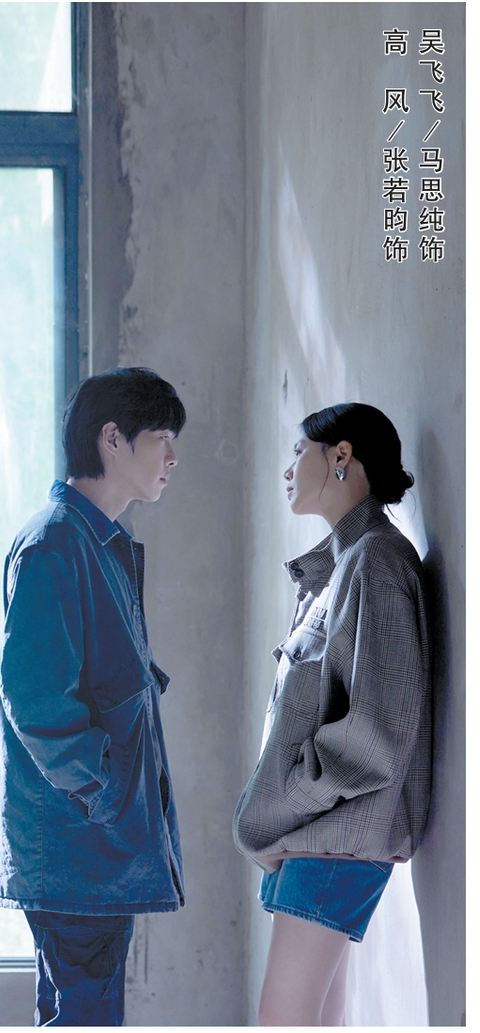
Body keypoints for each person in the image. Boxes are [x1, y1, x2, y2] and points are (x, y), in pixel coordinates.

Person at [233, 402, 431, 1027]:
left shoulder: (376, 562)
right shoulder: (346, 567)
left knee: (283, 1021)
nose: (288, 468)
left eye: (300, 451)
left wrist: (283, 800)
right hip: (321, 839)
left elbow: (377, 732)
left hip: (334, 841)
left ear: (342, 455)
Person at [0, 366, 186, 1026]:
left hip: (95, 850)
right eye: (161, 438)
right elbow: (34, 698)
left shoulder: (99, 542)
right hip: (77, 849)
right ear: (112, 438)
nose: (172, 457)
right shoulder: (56, 543)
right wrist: (105, 791)